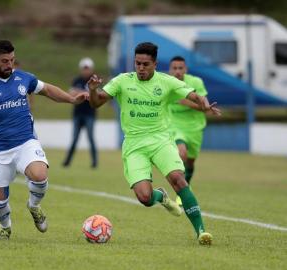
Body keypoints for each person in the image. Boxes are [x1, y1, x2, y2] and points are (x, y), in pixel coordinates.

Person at [0, 40, 88, 240]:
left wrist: (72, 99)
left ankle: (34, 205)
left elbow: (47, 89)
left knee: (40, 175)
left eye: (12, 60)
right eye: (4, 61)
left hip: (25, 142)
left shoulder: (23, 78)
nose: (9, 65)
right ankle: (6, 226)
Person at [87, 42, 220, 245]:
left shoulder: (167, 82)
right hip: (134, 145)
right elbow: (96, 103)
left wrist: (202, 102)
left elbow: (193, 95)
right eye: (137, 63)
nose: (140, 68)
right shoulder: (123, 81)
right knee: (144, 198)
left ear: (155, 64)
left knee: (178, 178)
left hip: (161, 141)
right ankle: (162, 198)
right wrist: (93, 91)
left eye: (145, 64)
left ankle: (201, 231)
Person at [168, 56, 221, 206]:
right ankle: (181, 192)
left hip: (194, 127)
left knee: (190, 161)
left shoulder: (196, 82)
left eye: (180, 68)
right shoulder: (166, 83)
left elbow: (205, 107)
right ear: (170, 69)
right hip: (174, 125)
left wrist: (187, 103)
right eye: (174, 68)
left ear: (186, 69)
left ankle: (185, 187)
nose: (177, 71)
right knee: (181, 153)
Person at [63, 57, 98, 168]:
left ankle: (94, 162)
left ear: (91, 69)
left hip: (90, 114)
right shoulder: (77, 80)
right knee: (74, 139)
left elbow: (98, 95)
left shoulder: (95, 80)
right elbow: (71, 94)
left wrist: (80, 92)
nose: (86, 71)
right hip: (77, 114)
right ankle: (67, 162)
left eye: (88, 68)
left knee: (91, 138)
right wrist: (87, 92)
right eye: (84, 68)